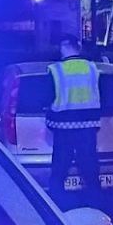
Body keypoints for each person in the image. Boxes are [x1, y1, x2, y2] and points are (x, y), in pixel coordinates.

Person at [47, 35, 103, 205]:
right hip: (88, 125)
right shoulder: (92, 68)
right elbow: (102, 94)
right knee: (90, 167)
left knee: (60, 167)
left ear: (64, 47)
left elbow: (46, 97)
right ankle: (95, 203)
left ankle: (58, 205)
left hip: (63, 126)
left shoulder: (56, 70)